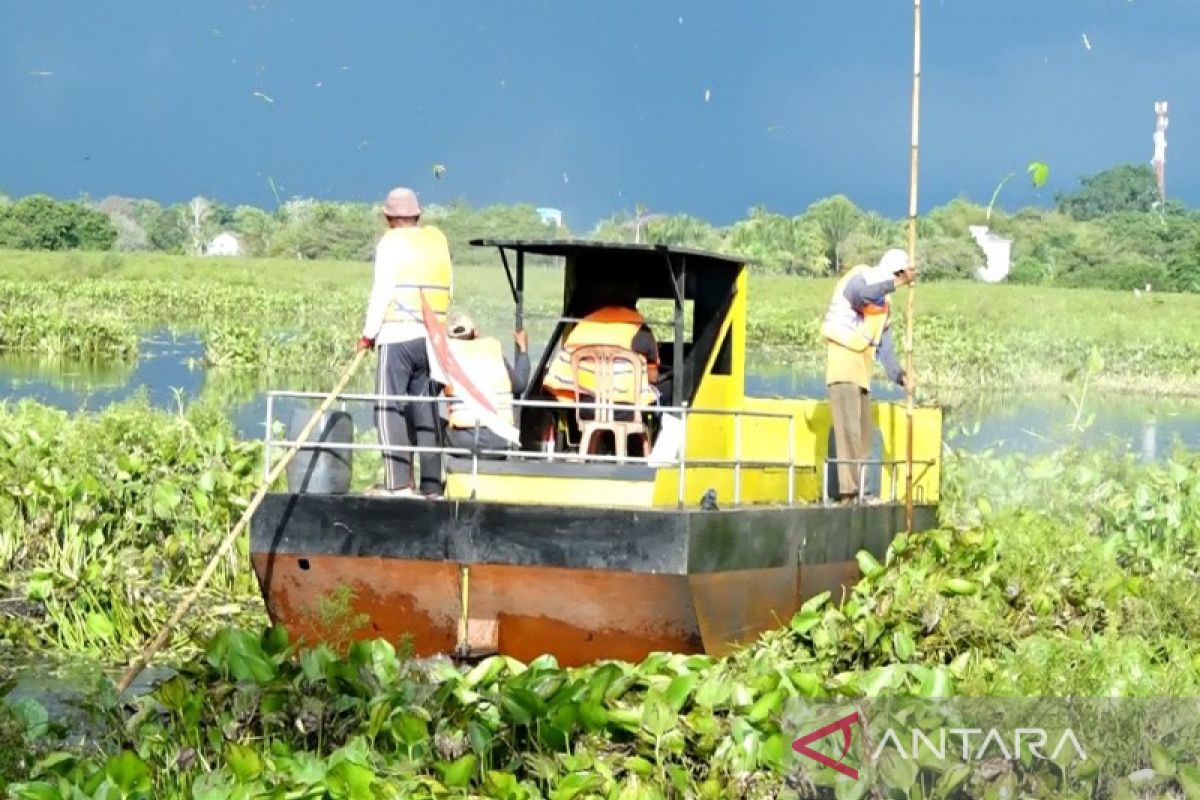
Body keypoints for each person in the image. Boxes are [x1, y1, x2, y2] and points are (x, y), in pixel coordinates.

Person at [357, 187, 452, 498]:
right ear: (418, 215)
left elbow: (383, 290)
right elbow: (450, 288)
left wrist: (368, 334)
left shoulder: (390, 243)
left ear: (387, 218)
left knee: (387, 407)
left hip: (397, 335)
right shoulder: (437, 243)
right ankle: (431, 485)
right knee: (425, 408)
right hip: (431, 338)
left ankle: (398, 485)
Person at [821, 248, 915, 504]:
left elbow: (884, 346)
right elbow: (859, 295)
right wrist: (896, 283)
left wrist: (900, 376)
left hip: (861, 371)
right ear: (893, 273)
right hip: (843, 365)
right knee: (848, 432)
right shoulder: (862, 276)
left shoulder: (884, 304)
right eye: (898, 276)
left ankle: (862, 491)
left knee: (864, 435)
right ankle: (849, 494)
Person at [439, 311, 531, 457]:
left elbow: (428, 393)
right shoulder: (492, 353)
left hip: (463, 441)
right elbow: (520, 385)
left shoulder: (447, 358)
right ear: (476, 333)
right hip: (499, 439)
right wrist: (523, 350)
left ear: (450, 339)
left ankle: (431, 477)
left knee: (426, 420)